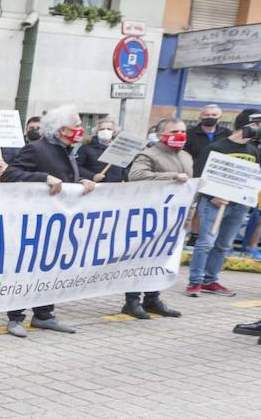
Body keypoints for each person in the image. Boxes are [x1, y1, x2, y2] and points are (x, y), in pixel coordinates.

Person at [0, 104, 97, 337]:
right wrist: (42, 177)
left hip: (59, 222)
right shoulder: (35, 149)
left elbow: (64, 178)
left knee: (51, 268)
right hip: (34, 222)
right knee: (27, 269)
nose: (80, 130)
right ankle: (15, 317)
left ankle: (44, 314)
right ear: (62, 130)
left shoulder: (68, 150)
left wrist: (82, 181)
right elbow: (10, 175)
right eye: (76, 126)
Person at [186, 109, 260, 297]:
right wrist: (212, 197)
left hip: (239, 205)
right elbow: (199, 175)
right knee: (206, 243)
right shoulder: (216, 148)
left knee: (223, 244)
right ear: (249, 125)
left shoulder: (253, 150)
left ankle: (210, 280)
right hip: (214, 204)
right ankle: (195, 281)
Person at [121, 120, 189, 319]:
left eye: (183, 131)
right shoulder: (148, 155)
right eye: (174, 131)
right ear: (160, 135)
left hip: (172, 218)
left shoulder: (185, 156)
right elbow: (137, 176)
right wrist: (172, 176)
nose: (180, 135)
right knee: (139, 259)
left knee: (161, 259)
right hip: (148, 216)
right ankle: (132, 301)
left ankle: (153, 298)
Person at [78, 118, 128, 184]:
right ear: (97, 131)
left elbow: (126, 167)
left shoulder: (120, 148)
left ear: (114, 132)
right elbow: (77, 167)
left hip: (116, 187)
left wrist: (124, 178)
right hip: (94, 187)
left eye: (109, 129)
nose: (105, 131)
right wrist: (92, 176)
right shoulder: (85, 148)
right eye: (102, 129)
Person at [186, 104, 229, 177]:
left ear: (220, 118)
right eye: (206, 115)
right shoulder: (189, 134)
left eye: (214, 115)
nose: (210, 117)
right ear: (200, 117)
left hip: (219, 173)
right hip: (195, 172)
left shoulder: (227, 134)